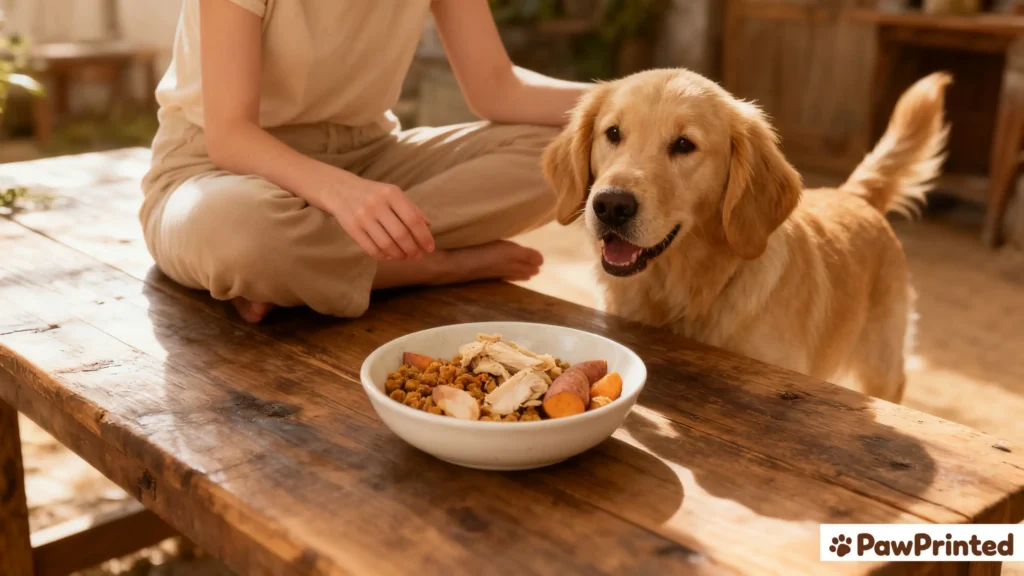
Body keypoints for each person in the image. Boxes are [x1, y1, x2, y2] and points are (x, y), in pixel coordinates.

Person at [141, 0, 592, 323]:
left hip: (368, 156)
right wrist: (341, 194)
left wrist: (633, 97)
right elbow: (231, 137)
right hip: (219, 174)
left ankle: (297, 276)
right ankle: (430, 266)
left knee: (565, 152)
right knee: (242, 233)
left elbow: (498, 89)